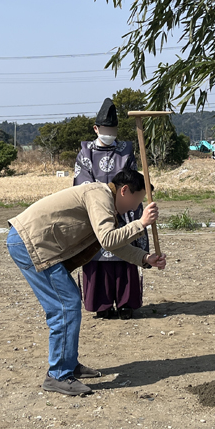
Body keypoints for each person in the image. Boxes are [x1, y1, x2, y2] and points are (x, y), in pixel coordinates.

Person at [7, 168, 166, 396]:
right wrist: (141, 223)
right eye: (137, 200)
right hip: (30, 243)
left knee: (68, 304)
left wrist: (145, 259)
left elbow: (113, 244)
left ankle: (67, 364)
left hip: (37, 244)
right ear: (124, 190)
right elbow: (108, 238)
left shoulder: (106, 201)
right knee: (66, 305)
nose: (135, 208)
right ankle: (58, 375)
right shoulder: (98, 195)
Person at [73, 97, 148, 319]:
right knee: (96, 254)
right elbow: (83, 184)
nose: (109, 132)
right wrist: (104, 204)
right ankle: (102, 304)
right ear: (96, 129)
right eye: (105, 129)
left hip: (125, 209)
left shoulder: (126, 150)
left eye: (112, 129)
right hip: (96, 209)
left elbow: (131, 180)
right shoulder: (85, 152)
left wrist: (124, 204)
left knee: (126, 251)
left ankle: (126, 302)